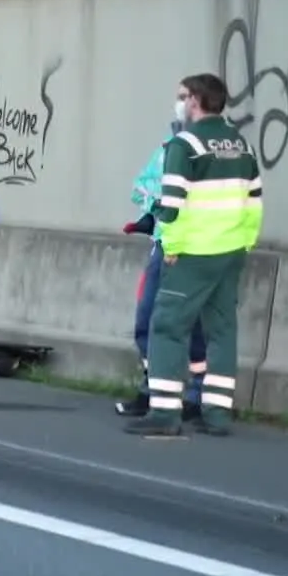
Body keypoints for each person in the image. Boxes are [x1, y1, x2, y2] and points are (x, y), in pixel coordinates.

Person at [126, 72, 263, 438]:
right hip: (231, 252)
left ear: (196, 101)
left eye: (183, 97)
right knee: (222, 332)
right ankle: (216, 415)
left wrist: (171, 247)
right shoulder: (242, 145)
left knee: (167, 327)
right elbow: (254, 203)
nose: (181, 103)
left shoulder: (184, 145)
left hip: (193, 253)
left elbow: (171, 205)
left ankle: (164, 413)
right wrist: (246, 242)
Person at [115, 113, 206, 421]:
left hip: (198, 249)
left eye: (186, 96)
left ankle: (196, 398)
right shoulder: (167, 148)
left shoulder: (213, 152)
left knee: (195, 326)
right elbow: (141, 188)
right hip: (165, 245)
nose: (182, 104)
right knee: (147, 321)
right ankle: (151, 392)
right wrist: (155, 210)